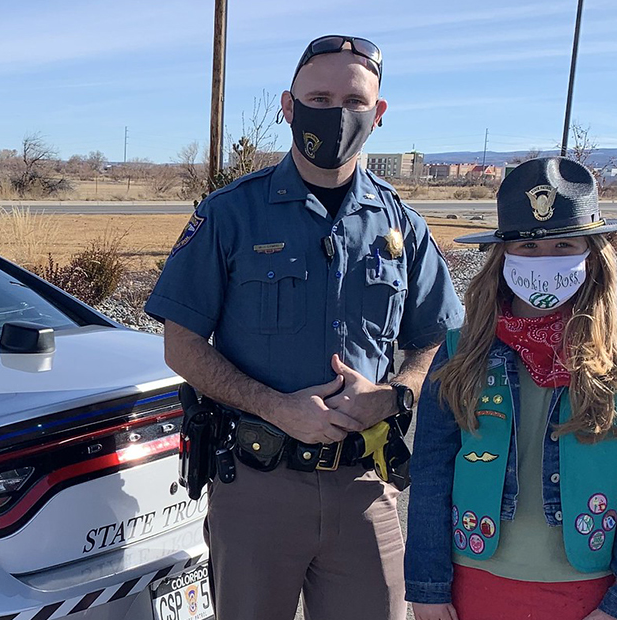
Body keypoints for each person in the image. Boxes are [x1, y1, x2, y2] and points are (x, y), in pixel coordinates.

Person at [144, 34, 463, 619]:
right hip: (258, 488)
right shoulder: (231, 214)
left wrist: (392, 397)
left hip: (366, 488)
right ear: (288, 106)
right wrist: (274, 406)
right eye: (318, 96)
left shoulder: (404, 228)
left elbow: (436, 343)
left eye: (352, 100)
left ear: (378, 115)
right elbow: (181, 344)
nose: (335, 113)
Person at [404, 156, 617, 620]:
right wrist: (428, 586)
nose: (545, 260)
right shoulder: (462, 350)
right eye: (527, 245)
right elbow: (430, 473)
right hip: (475, 581)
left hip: (586, 590)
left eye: (564, 244)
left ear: (592, 254)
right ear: (501, 255)